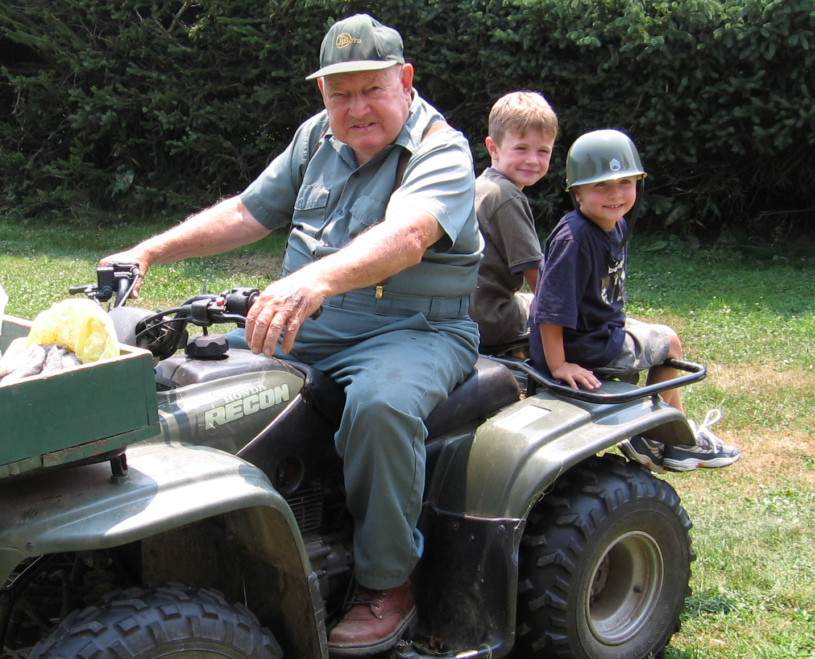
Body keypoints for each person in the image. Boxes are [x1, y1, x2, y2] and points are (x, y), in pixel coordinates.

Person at [101, 14, 483, 655]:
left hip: (412, 332)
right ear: (323, 96)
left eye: (370, 89)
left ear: (405, 79)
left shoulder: (441, 149)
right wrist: (150, 251)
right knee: (176, 373)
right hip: (303, 323)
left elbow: (409, 235)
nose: (355, 107)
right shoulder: (316, 140)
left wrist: (315, 282)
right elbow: (249, 211)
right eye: (340, 94)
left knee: (381, 408)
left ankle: (387, 583)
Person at [529, 129, 740, 472]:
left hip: (598, 331)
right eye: (601, 185)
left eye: (626, 182)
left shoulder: (614, 224)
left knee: (655, 335)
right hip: (582, 346)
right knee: (669, 341)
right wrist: (558, 366)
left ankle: (680, 439)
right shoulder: (575, 238)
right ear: (577, 192)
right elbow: (550, 310)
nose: (616, 194)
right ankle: (652, 435)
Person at [469, 91, 557, 349]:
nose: (532, 159)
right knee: (551, 310)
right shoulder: (505, 196)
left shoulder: (481, 186)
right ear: (493, 148)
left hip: (466, 315)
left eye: (543, 151)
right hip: (490, 319)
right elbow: (536, 275)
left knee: (525, 301)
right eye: (521, 148)